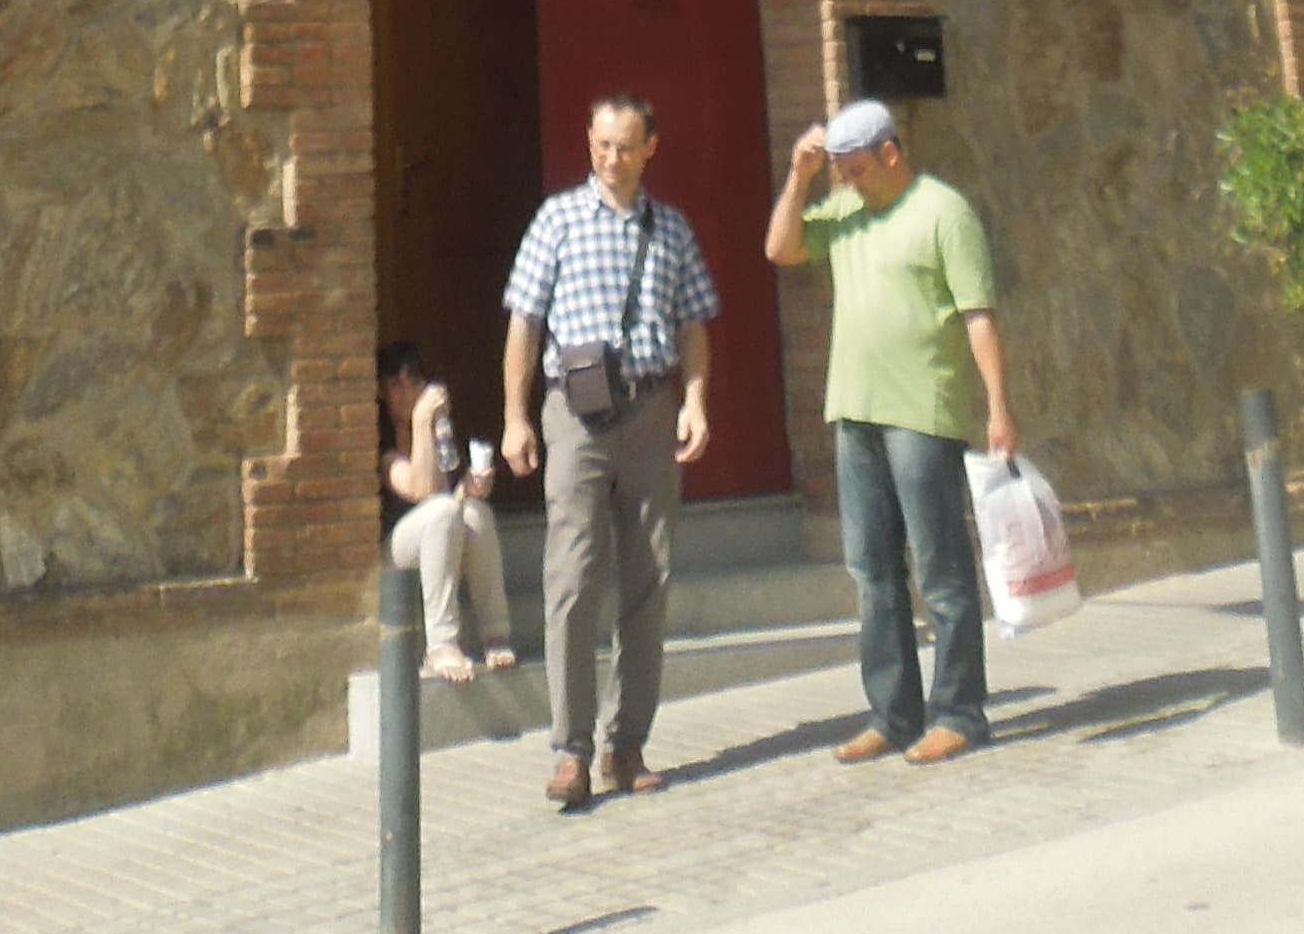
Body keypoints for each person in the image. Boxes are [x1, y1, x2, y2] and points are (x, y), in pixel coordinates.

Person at [767, 96, 1017, 766]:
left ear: (890, 152)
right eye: (838, 171)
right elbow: (781, 247)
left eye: (855, 170)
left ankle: (960, 713)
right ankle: (893, 714)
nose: (845, 182)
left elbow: (978, 314)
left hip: (921, 414)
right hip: (855, 412)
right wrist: (801, 174)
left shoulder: (944, 212)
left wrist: (997, 406)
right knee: (872, 572)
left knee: (940, 570)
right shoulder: (845, 211)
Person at [498, 93, 717, 811]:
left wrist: (694, 401)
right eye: (599, 146)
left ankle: (628, 745)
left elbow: (694, 325)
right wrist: (516, 418)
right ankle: (571, 750)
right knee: (572, 578)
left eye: (624, 146)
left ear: (650, 147)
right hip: (576, 414)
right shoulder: (556, 220)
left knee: (647, 579)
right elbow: (525, 326)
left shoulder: (672, 229)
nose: (610, 158)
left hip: (652, 410)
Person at [376, 345, 516, 686]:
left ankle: (495, 633)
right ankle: (441, 644)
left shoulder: (441, 432)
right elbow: (420, 490)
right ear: (381, 391)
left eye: (415, 380)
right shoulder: (379, 439)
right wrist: (422, 420)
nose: (408, 391)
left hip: (438, 533)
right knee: (442, 511)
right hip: (394, 550)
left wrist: (468, 487)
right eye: (396, 383)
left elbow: (447, 503)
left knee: (475, 512)